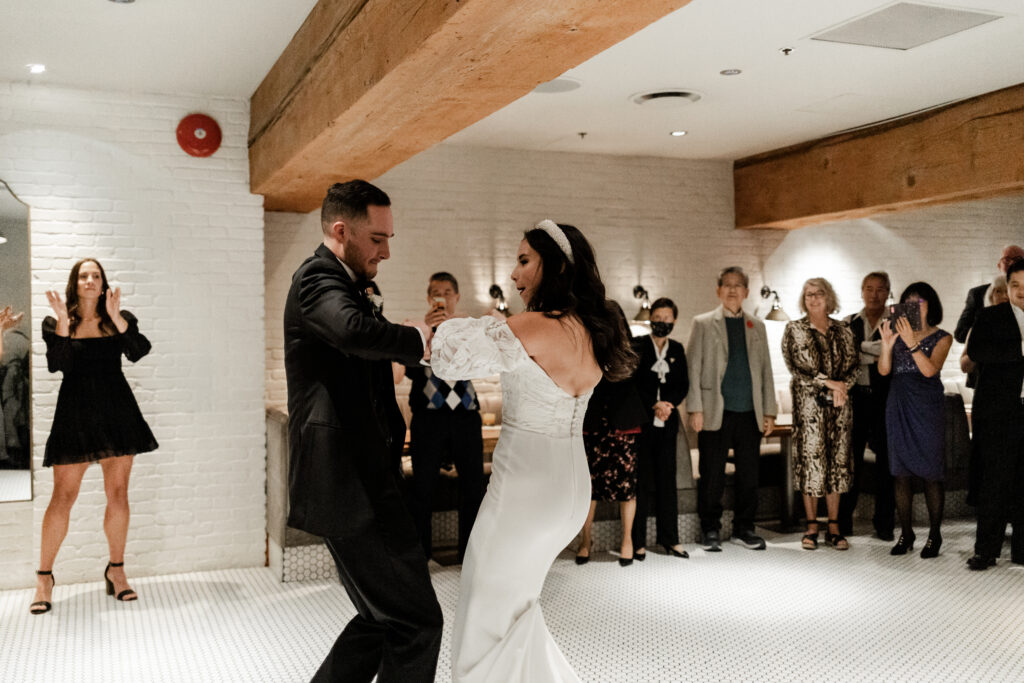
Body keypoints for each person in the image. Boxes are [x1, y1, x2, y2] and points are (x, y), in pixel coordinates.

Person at [431, 219, 635, 682]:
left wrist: (435, 327)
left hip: (524, 493)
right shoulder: (592, 328)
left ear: (556, 266)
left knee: (484, 611)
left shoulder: (534, 326)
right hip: (569, 491)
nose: (514, 274)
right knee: (516, 609)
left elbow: (448, 361)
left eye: (524, 261)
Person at [284, 180, 442, 682]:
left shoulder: (349, 283)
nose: (387, 252)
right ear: (340, 230)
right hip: (347, 481)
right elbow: (353, 331)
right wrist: (416, 338)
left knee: (382, 619)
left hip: (371, 474)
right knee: (416, 622)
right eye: (378, 239)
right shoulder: (316, 278)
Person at [29, 259, 158, 615]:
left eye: (96, 275)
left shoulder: (120, 316)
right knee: (62, 497)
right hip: (75, 415)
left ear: (103, 283)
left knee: (118, 493)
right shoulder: (56, 321)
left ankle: (116, 570)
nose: (90, 280)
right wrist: (65, 324)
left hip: (117, 411)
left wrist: (117, 318)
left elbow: (139, 351)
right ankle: (44, 578)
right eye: (83, 275)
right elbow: (59, 364)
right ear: (75, 282)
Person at [396, 272, 485, 563]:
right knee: (422, 488)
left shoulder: (468, 328)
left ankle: (469, 556)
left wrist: (453, 328)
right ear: (428, 298)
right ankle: (421, 557)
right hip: (427, 418)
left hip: (466, 416)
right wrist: (427, 331)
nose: (442, 297)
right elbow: (404, 369)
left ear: (456, 297)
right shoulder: (418, 329)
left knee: (474, 487)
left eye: (448, 291)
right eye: (436, 292)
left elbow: (476, 362)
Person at [686, 269, 777, 552]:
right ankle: (710, 529)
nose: (733, 290)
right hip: (715, 411)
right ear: (718, 290)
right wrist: (695, 408)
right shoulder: (703, 324)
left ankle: (744, 528)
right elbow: (693, 368)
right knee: (712, 473)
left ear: (747, 292)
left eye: (739, 286)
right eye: (727, 285)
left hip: (750, 412)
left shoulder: (757, 326)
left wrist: (769, 412)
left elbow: (765, 371)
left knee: (749, 475)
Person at [782, 278, 858, 551]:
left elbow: (854, 367)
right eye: (808, 294)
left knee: (836, 464)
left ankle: (834, 526)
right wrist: (829, 382)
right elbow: (797, 369)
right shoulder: (795, 329)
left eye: (818, 293)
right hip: (809, 409)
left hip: (839, 408)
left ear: (829, 297)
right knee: (811, 463)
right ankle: (812, 525)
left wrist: (843, 386)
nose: (813, 298)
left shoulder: (844, 330)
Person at [878, 282, 952, 558]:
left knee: (932, 472)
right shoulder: (897, 334)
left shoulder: (943, 337)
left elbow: (930, 370)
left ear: (930, 305)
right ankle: (906, 533)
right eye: (908, 302)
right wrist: (887, 346)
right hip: (898, 402)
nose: (913, 307)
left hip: (927, 406)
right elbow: (884, 371)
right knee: (900, 473)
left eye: (918, 302)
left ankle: (935, 534)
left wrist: (912, 343)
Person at [576, 303, 647, 567]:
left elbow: (639, 385)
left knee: (627, 487)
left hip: (624, 424)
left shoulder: (633, 349)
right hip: (592, 424)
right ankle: (586, 541)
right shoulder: (584, 348)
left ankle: (627, 540)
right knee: (589, 488)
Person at [964, 259, 1024, 570]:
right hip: (1000, 413)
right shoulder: (990, 317)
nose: (1021, 292)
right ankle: (986, 550)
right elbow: (977, 352)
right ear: (1008, 287)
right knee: (995, 482)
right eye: (1015, 286)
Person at [838, 272, 895, 540]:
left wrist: (862, 351)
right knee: (851, 462)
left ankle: (884, 523)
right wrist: (877, 353)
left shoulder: (897, 321)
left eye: (880, 289)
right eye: (869, 289)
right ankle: (843, 521)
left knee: (886, 463)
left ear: (888, 292)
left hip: (886, 401)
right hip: (855, 400)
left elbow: (895, 355)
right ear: (861, 291)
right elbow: (845, 358)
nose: (874, 294)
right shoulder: (849, 322)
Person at [954, 244, 1024, 344]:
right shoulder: (977, 294)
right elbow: (960, 334)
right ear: (999, 266)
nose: (1012, 263)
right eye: (1006, 260)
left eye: (1018, 260)